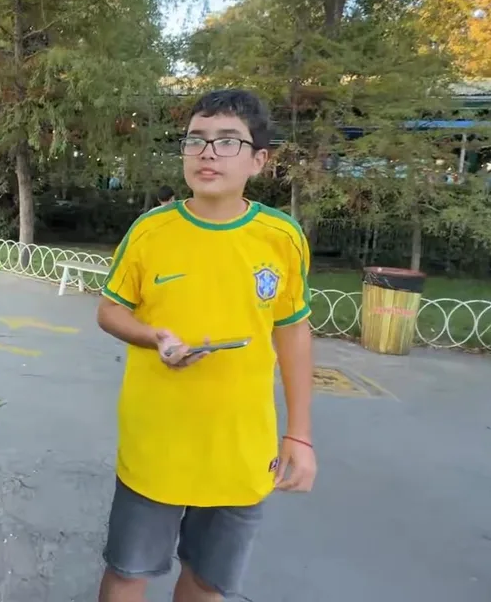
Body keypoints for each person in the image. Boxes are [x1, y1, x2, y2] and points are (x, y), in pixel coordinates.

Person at [95, 89, 316, 602]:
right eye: (196, 140)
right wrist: (154, 337)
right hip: (157, 444)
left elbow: (293, 332)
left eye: (227, 141)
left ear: (259, 160)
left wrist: (300, 435)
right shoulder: (151, 231)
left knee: (208, 581)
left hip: (241, 449)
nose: (207, 153)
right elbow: (109, 310)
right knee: (128, 571)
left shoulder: (281, 237)